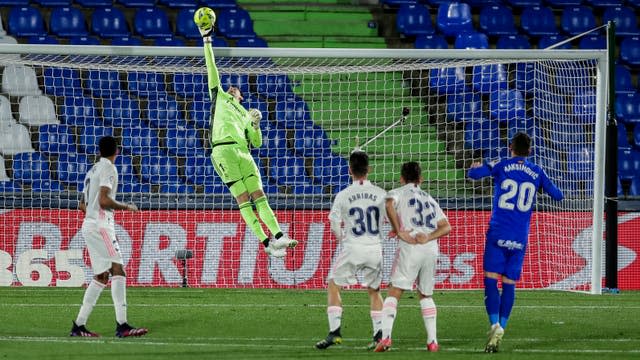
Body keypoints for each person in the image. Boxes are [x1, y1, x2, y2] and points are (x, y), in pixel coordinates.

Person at [196, 12, 297, 258]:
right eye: (230, 87)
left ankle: (279, 237)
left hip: (243, 152)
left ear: (241, 96)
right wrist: (207, 40)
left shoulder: (244, 113)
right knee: (243, 198)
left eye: (236, 88)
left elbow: (257, 143)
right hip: (221, 150)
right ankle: (266, 243)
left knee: (259, 196)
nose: (232, 87)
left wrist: (256, 124)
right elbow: (212, 67)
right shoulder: (218, 96)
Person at [468, 132, 564, 353]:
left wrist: (476, 166)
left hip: (498, 232)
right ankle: (502, 327)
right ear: (529, 151)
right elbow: (558, 196)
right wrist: (540, 184)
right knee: (509, 283)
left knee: (491, 281)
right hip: (519, 237)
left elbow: (473, 174)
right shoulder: (537, 171)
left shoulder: (501, 164)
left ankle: (494, 325)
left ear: (510, 146)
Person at [70, 136, 148, 338]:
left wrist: (92, 214)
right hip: (101, 225)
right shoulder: (109, 169)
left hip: (89, 224)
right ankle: (122, 325)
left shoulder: (92, 170)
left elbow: (81, 203)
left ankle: (78, 325)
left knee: (101, 276)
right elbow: (104, 200)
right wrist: (126, 206)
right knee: (118, 269)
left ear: (99, 151)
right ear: (117, 151)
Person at [374, 161, 451, 353]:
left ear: (402, 178)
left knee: (395, 291)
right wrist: (429, 236)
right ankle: (432, 341)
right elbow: (446, 226)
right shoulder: (429, 198)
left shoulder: (398, 192)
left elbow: (388, 203)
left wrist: (398, 230)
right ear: (421, 179)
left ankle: (385, 338)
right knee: (425, 294)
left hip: (410, 247)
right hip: (430, 248)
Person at [315, 151, 387, 350]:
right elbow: (391, 218)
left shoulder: (343, 194)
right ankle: (379, 335)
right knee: (374, 291)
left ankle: (334, 332)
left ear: (350, 171)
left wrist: (342, 239)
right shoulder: (382, 193)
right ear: (369, 169)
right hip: (375, 248)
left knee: (333, 284)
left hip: (353, 246)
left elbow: (333, 222)